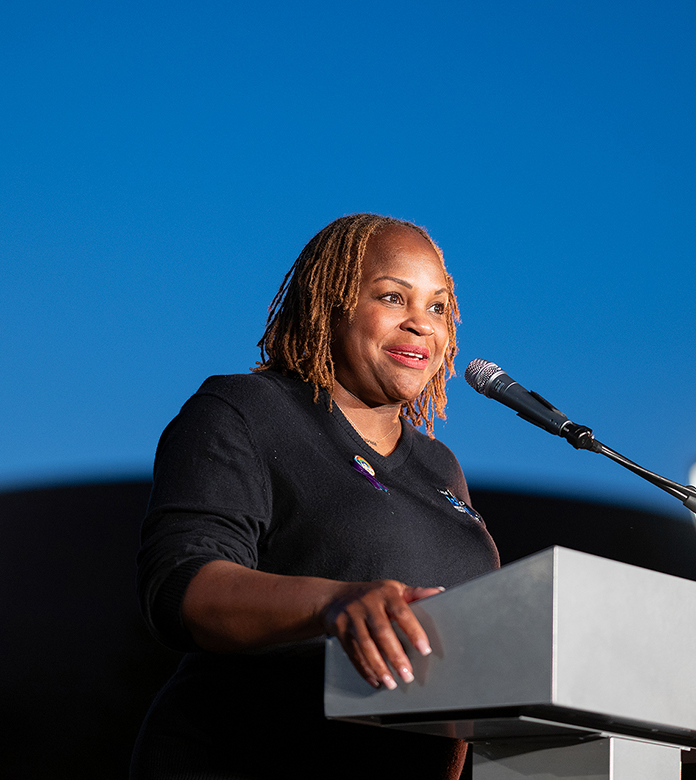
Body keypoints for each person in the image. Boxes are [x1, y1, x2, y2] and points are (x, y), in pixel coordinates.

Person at [131, 214, 500, 779]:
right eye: (392, 297)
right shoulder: (246, 412)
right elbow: (181, 585)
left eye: (437, 306)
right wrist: (334, 604)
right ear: (330, 303)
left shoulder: (439, 466)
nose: (421, 324)